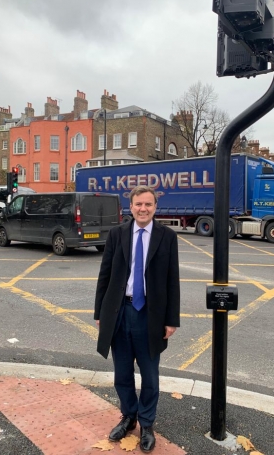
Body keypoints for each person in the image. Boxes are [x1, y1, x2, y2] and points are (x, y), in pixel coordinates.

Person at [94, 185, 180, 453]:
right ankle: (129, 417)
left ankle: (147, 423)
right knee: (122, 374)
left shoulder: (167, 236)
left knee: (150, 376)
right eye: (138, 204)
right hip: (120, 311)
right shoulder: (118, 234)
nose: (143, 209)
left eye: (148, 205)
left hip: (150, 316)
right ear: (130, 207)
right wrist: (100, 313)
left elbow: (172, 280)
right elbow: (105, 275)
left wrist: (171, 319)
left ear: (155, 207)